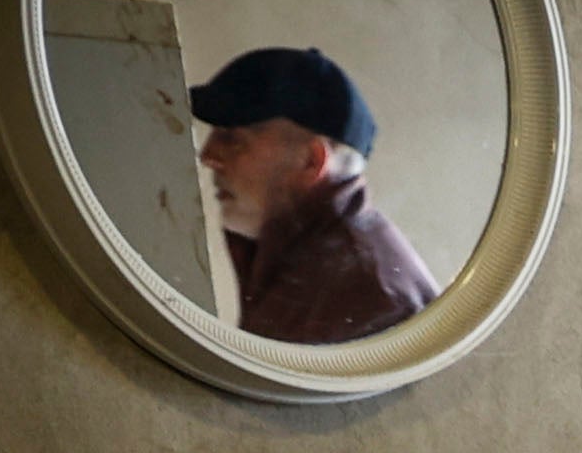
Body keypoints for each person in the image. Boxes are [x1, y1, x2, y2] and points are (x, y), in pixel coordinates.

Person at [186, 45, 441, 344]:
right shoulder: (305, 260)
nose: (207, 156)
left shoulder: (374, 301)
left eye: (233, 139)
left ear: (311, 161)